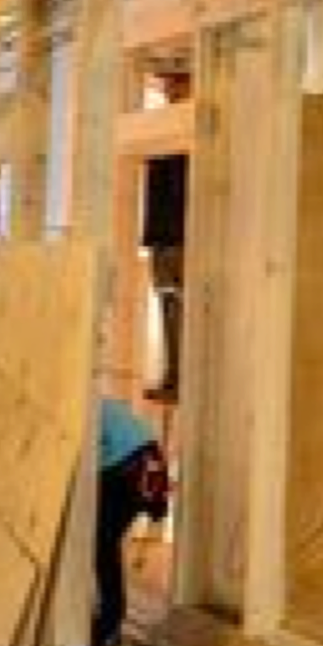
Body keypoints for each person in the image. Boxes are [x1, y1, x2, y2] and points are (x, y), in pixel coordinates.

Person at [91, 396, 164, 646]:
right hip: (147, 465)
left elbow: (90, 459)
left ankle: (106, 627)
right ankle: (108, 625)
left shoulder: (84, 407)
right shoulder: (106, 405)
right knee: (104, 546)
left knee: (102, 547)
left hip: (127, 471)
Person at [140, 70, 191, 402]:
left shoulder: (192, 127)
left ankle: (184, 379)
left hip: (184, 238)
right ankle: (174, 378)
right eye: (168, 83)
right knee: (168, 308)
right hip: (161, 238)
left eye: (177, 82)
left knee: (184, 308)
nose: (170, 88)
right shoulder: (161, 129)